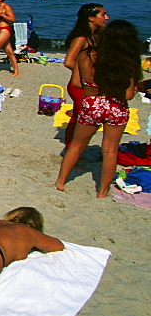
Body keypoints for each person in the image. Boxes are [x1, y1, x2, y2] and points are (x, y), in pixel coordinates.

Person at [55, 19, 142, 198]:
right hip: (115, 106)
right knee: (110, 149)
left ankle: (61, 182)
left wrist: (92, 88)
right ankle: (103, 191)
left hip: (92, 104)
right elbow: (128, 95)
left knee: (77, 146)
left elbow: (77, 83)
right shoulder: (127, 61)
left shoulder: (86, 56)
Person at [62, 4, 108, 144]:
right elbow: (68, 61)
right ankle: (72, 148)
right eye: (103, 14)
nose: (107, 17)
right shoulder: (81, 38)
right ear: (91, 18)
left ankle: (74, 148)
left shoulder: (94, 36)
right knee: (81, 118)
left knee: (80, 117)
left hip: (88, 84)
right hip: (80, 85)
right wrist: (87, 74)